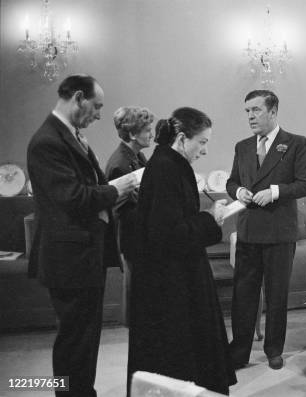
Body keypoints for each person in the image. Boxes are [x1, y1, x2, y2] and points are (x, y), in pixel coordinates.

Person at [26, 74, 138, 397]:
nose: (100, 115)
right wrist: (118, 187)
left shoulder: (70, 135)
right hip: (68, 259)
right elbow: (73, 198)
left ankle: (82, 392)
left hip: (84, 255)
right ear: (78, 97)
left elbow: (87, 188)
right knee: (74, 340)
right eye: (97, 106)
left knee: (86, 337)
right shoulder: (47, 140)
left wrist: (113, 191)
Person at [127, 107, 236, 395]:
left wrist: (205, 217)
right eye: (202, 142)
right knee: (178, 359)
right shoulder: (166, 167)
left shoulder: (169, 162)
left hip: (176, 274)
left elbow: (174, 221)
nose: (205, 150)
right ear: (181, 137)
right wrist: (209, 218)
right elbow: (168, 234)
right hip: (171, 283)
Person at [227, 90, 306, 370]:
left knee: (277, 296)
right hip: (249, 231)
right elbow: (231, 182)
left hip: (279, 233)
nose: (250, 116)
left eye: (256, 110)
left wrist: (275, 191)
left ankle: (274, 349)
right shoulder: (242, 146)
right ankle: (238, 352)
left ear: (273, 111)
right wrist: (238, 190)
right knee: (243, 295)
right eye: (247, 111)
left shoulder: (295, 143)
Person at [105, 106, 155, 324]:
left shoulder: (137, 156)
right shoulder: (120, 163)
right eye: (147, 130)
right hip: (130, 236)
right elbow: (115, 207)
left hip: (139, 233)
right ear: (133, 134)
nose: (152, 134)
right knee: (135, 289)